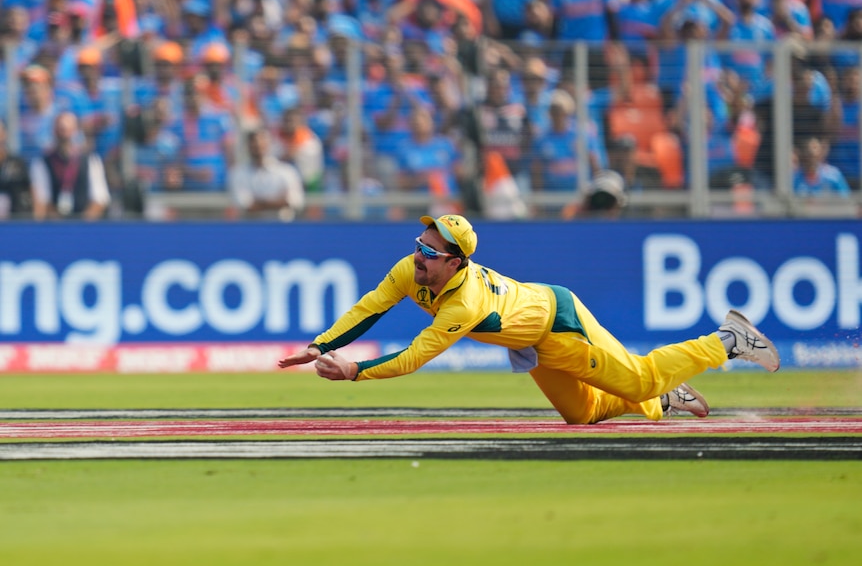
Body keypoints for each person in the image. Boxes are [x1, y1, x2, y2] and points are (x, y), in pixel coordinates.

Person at [278, 214, 781, 424]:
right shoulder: (410, 270)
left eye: (429, 252)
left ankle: (727, 340)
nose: (418, 257)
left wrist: (356, 371)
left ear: (456, 262)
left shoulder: (464, 303)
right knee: (580, 415)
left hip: (559, 323)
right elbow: (370, 307)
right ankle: (661, 401)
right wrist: (322, 347)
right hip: (531, 341)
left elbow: (413, 358)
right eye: (419, 246)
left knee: (642, 375)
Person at [29, 111, 111, 221]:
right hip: (54, 227)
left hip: (85, 227)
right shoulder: (41, 163)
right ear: (54, 131)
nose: (64, 135)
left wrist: (82, 225)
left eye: (67, 130)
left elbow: (100, 199)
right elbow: (42, 201)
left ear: (76, 131)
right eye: (60, 130)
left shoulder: (91, 161)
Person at [228, 126, 305, 221]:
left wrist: (258, 202)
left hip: (283, 229)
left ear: (270, 143)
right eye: (254, 142)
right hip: (251, 230)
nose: (258, 146)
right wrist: (280, 201)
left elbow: (295, 201)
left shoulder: (287, 171)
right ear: (248, 146)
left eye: (262, 141)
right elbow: (246, 205)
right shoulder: (238, 173)